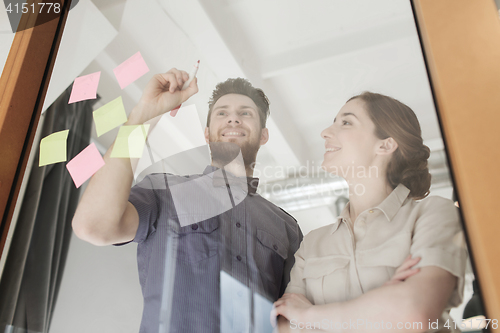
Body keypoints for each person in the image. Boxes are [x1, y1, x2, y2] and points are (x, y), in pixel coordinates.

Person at [72, 68, 303, 333]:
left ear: (263, 135)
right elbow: (92, 225)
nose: (233, 120)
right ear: (207, 134)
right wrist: (142, 114)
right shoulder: (164, 192)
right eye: (222, 113)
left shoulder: (287, 228)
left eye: (246, 113)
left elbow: (294, 318)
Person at [273, 92, 467, 332]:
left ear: (385, 144)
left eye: (346, 122)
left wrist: (309, 314)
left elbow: (415, 313)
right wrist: (385, 302)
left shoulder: (434, 213)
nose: (325, 132)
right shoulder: (313, 243)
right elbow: (284, 324)